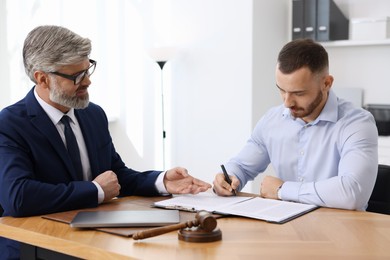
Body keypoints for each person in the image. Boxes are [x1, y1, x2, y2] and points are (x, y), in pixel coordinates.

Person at [0, 25, 211, 259]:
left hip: (93, 239)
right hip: (36, 247)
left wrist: (161, 181)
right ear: (42, 78)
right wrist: (95, 190)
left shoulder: (93, 115)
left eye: (88, 70)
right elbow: (17, 197)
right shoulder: (9, 124)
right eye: (76, 76)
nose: (88, 81)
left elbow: (115, 176)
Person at [213, 38, 378, 211]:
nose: (287, 102)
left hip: (341, 229)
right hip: (285, 225)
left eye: (298, 93)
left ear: (326, 83)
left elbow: (352, 193)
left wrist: (282, 190)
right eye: (281, 90)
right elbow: (242, 166)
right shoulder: (272, 120)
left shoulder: (357, 123)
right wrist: (229, 177)